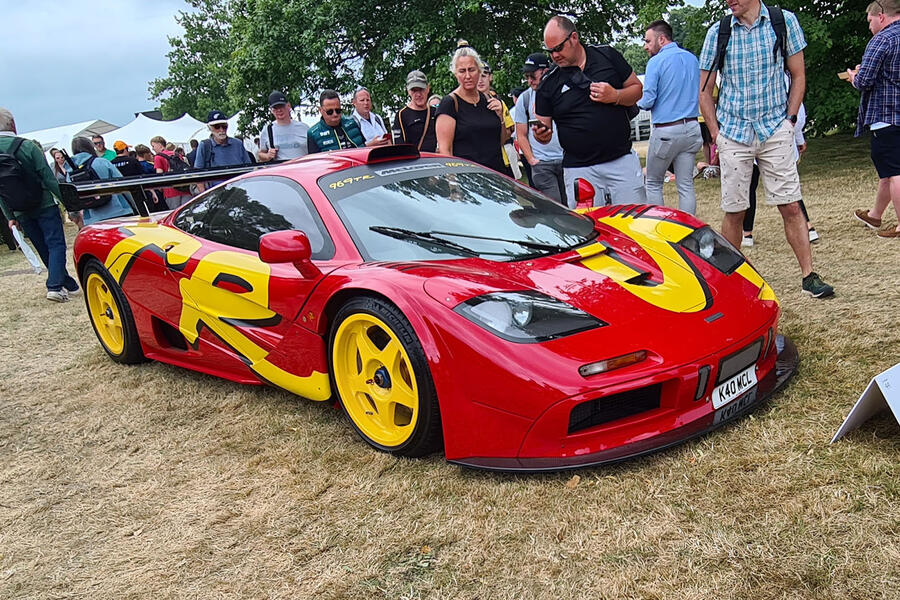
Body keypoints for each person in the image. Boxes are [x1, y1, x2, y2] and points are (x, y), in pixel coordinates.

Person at [699, 0, 834, 297]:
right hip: (733, 133)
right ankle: (732, 284)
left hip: (775, 130)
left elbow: (798, 75)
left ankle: (809, 276)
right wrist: (716, 133)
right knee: (735, 210)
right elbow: (704, 91)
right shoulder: (718, 32)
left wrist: (790, 122)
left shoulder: (782, 22)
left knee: (790, 204)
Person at [534, 16, 647, 207]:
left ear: (574, 38)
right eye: (550, 51)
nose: (554, 56)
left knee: (634, 223)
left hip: (620, 160)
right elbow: (543, 128)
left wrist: (615, 95)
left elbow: (637, 89)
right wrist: (541, 135)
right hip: (579, 168)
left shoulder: (607, 56)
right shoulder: (549, 83)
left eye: (558, 48)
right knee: (589, 229)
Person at [0, 107, 79, 300]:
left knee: (43, 247)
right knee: (55, 244)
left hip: (18, 209)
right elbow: (48, 178)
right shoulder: (27, 146)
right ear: (13, 124)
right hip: (43, 203)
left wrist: (10, 216)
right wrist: (69, 204)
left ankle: (68, 284)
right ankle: (54, 285)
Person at [637, 20, 703, 213]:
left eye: (648, 41)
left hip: (666, 129)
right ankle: (688, 231)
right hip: (692, 127)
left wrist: (629, 103)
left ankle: (658, 230)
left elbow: (647, 100)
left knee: (653, 182)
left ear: (662, 39)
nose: (645, 46)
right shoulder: (692, 59)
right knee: (686, 185)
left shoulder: (656, 62)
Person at [848, 0, 900, 238]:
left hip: (886, 114)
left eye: (869, 20)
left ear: (880, 16)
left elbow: (865, 81)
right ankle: (875, 215)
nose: (869, 25)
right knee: (889, 170)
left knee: (894, 171)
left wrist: (854, 76)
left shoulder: (881, 40)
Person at [742, 91, 818, 247]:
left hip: (763, 136)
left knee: (757, 186)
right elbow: (797, 110)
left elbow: (796, 110)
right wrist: (798, 137)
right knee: (785, 185)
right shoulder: (784, 77)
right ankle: (807, 227)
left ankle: (747, 233)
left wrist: (797, 137)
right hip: (771, 136)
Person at [435, 43, 511, 174]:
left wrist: (500, 117)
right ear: (455, 74)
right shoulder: (449, 103)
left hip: (497, 176)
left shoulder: (489, 100)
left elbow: (502, 140)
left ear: (479, 71)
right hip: (469, 180)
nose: (467, 76)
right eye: (462, 71)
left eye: (471, 70)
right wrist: (453, 186)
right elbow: (445, 151)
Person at [513, 52, 566, 203]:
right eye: (526, 77)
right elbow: (521, 134)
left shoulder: (561, 92)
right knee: (554, 208)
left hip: (566, 160)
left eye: (533, 76)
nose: (529, 80)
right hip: (542, 164)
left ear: (545, 71)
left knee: (572, 209)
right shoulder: (525, 98)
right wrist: (532, 160)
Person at [66, 136, 133, 225]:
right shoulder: (102, 162)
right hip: (119, 210)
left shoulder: (70, 171)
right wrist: (134, 205)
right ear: (90, 147)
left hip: (91, 218)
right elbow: (124, 185)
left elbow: (72, 198)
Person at [477, 62, 520, 178]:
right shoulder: (465, 104)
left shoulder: (499, 103)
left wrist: (500, 116)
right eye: (477, 76)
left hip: (500, 159)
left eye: (484, 75)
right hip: (475, 162)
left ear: (490, 77)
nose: (480, 80)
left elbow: (509, 132)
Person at [257, 90, 310, 162]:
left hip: (302, 168)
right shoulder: (268, 129)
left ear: (288, 106)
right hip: (280, 170)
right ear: (271, 110)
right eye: (275, 108)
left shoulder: (304, 127)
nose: (279, 110)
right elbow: (260, 154)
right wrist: (267, 156)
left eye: (281, 106)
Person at [392, 70, 438, 152]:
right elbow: (399, 147)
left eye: (421, 89)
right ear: (408, 91)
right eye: (414, 90)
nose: (418, 94)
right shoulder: (401, 115)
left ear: (428, 88)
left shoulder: (436, 112)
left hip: (435, 160)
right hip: (413, 162)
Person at [150, 135, 192, 209]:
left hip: (170, 191)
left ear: (159, 145)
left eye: (153, 146)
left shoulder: (158, 157)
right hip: (185, 188)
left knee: (175, 215)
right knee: (187, 214)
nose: (152, 148)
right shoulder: (176, 155)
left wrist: (160, 188)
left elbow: (159, 174)